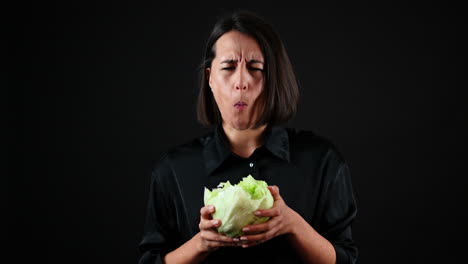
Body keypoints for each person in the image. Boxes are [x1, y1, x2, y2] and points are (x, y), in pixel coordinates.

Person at [138, 10, 358, 264]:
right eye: (229, 67)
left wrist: (294, 225)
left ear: (274, 79)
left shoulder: (322, 161)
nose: (241, 81)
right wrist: (201, 243)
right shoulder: (173, 169)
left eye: (255, 68)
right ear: (210, 79)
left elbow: (346, 259)